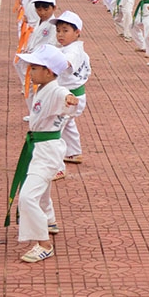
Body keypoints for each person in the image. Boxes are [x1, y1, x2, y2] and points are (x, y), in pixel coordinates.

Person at [6, 45, 80, 262]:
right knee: (43, 189)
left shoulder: (56, 90)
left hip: (47, 149)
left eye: (35, 68)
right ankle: (49, 220)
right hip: (39, 147)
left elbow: (65, 95)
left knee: (28, 197)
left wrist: (70, 99)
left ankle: (44, 243)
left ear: (49, 71)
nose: (31, 71)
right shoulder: (43, 88)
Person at [51, 11, 91, 174]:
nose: (60, 34)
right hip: (74, 95)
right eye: (58, 30)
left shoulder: (72, 52)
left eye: (65, 30)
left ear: (77, 32)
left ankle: (56, 168)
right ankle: (74, 152)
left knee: (54, 130)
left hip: (70, 97)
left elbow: (66, 63)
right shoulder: (73, 48)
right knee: (68, 124)